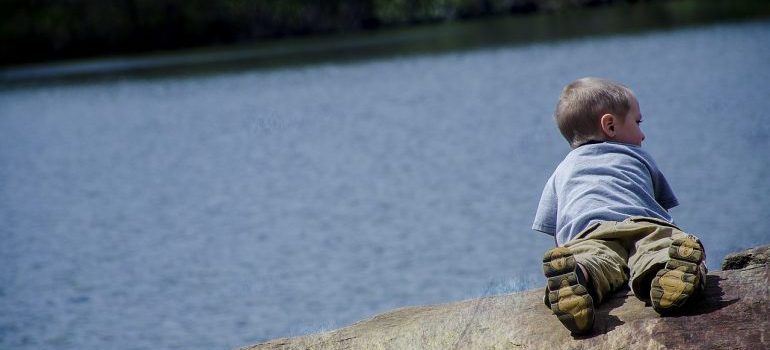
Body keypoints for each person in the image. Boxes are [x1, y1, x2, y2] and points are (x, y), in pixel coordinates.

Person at [532, 77, 707, 335]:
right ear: (610, 125)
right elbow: (662, 210)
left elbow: (555, 232)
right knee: (660, 248)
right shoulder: (638, 156)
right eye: (638, 122)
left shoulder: (561, 171)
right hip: (645, 225)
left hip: (589, 234)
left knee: (595, 261)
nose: (643, 133)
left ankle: (579, 276)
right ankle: (667, 270)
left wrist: (571, 254)